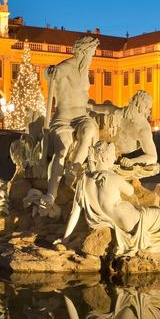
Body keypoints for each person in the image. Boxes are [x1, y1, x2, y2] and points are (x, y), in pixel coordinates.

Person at [41, 36, 101, 209]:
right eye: (91, 52)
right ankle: (51, 193)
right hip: (64, 119)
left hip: (82, 117)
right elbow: (49, 74)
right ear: (83, 51)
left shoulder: (84, 69)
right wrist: (50, 71)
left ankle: (73, 169)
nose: (92, 56)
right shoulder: (66, 66)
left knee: (89, 130)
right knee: (63, 148)